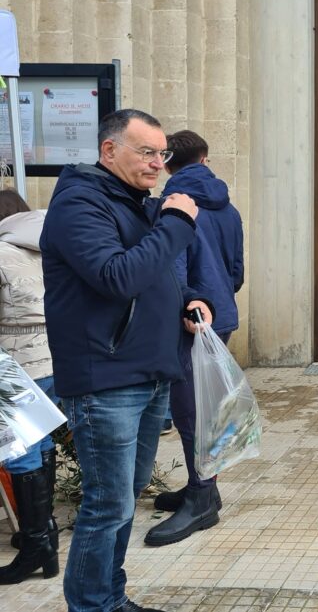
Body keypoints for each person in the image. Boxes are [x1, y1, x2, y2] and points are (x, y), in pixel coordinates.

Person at [40, 109, 214, 612]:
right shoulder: (79, 204)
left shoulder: (134, 202)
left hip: (148, 373)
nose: (158, 163)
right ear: (109, 150)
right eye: (147, 152)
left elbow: (154, 275)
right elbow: (117, 277)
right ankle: (93, 605)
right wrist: (176, 222)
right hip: (107, 378)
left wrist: (188, 300)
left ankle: (110, 598)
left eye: (162, 153)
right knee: (108, 505)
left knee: (124, 498)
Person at [144, 130, 244, 547]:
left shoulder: (173, 207)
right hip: (219, 316)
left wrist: (189, 307)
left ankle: (202, 499)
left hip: (188, 319)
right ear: (204, 159)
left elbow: (173, 270)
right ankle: (202, 487)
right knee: (207, 407)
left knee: (190, 413)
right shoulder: (229, 207)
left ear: (167, 163)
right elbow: (236, 271)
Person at [0, 191, 58, 584]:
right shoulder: (48, 247)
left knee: (20, 452)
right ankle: (45, 535)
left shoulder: (1, 254)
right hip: (54, 358)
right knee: (42, 440)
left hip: (15, 363)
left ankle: (37, 544)